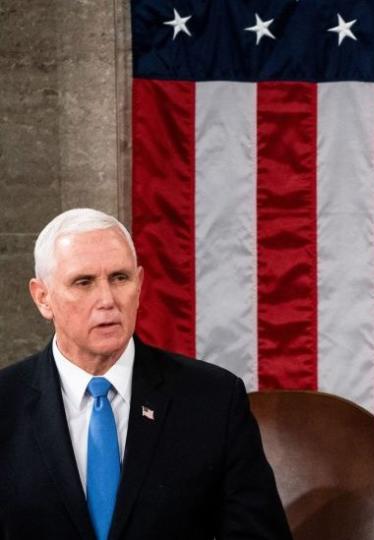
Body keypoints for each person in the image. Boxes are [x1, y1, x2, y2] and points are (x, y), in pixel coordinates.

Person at [0, 208, 292, 539]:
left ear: (139, 284)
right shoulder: (6, 404)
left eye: (119, 278)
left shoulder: (213, 400)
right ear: (43, 298)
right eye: (84, 282)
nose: (107, 300)